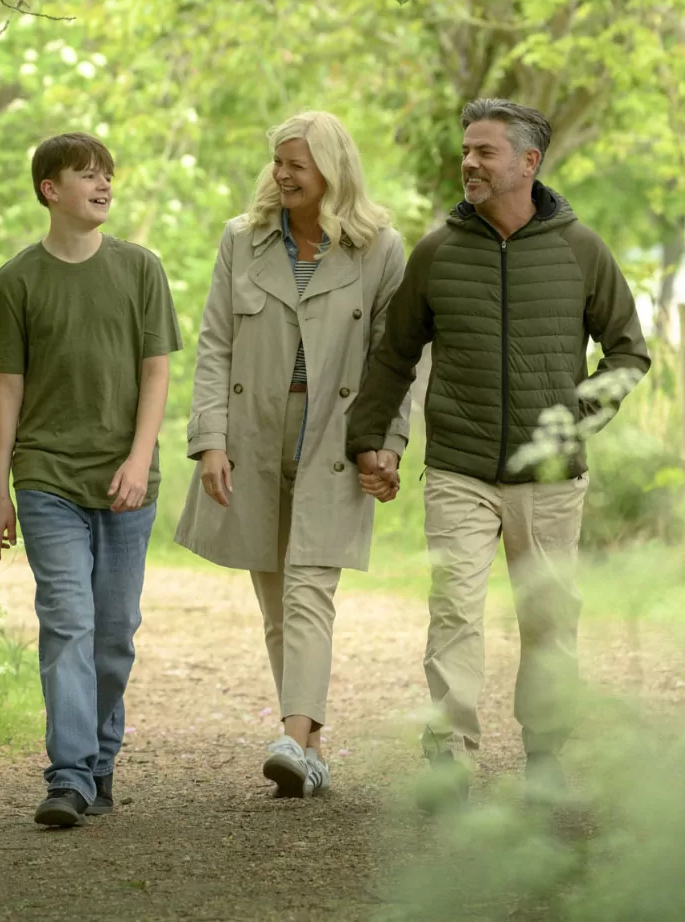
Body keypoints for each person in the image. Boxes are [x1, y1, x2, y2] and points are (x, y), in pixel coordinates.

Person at [347, 98, 650, 802]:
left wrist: (570, 426)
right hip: (459, 465)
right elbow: (394, 356)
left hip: (549, 475)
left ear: (528, 162)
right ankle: (449, 757)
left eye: (485, 151)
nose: (470, 163)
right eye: (467, 150)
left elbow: (629, 354)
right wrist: (369, 442)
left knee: (548, 618)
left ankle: (544, 756)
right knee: (454, 608)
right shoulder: (437, 252)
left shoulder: (580, 250)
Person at [175, 111, 410, 798]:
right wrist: (209, 440)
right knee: (278, 603)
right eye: (277, 163)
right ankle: (309, 748)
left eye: (296, 166)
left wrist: (386, 444)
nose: (281, 175)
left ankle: (288, 734)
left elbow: (396, 359)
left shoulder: (381, 249)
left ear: (331, 173)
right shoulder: (239, 241)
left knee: (311, 590)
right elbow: (215, 344)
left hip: (336, 435)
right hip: (252, 433)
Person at [0, 132, 182, 829]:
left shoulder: (140, 269)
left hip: (126, 480)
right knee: (68, 622)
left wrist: (137, 456)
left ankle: (98, 760)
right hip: (46, 476)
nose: (103, 186)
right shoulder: (16, 281)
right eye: (87, 175)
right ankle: (67, 775)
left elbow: (157, 371)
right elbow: (8, 389)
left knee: (115, 631)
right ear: (50, 190)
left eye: (108, 176)